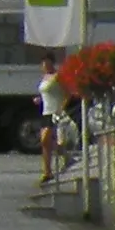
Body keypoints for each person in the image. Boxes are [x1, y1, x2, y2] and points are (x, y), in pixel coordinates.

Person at [35, 56, 67, 184]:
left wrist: (61, 108)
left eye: (48, 64)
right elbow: (46, 93)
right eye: (44, 65)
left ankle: (65, 155)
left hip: (55, 111)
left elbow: (67, 93)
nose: (46, 67)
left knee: (46, 139)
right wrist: (39, 99)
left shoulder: (57, 77)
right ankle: (47, 171)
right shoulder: (44, 78)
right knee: (45, 143)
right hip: (45, 112)